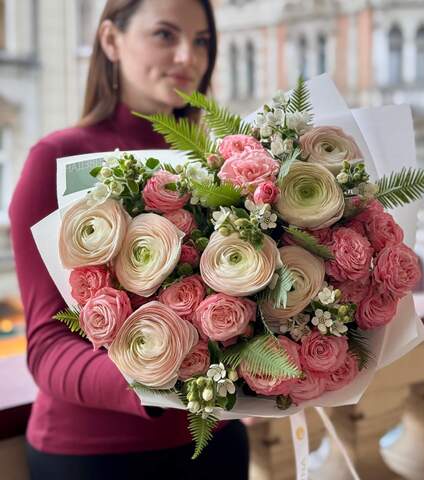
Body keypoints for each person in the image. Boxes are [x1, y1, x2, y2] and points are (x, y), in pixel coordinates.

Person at [8, 1, 250, 479]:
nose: (188, 56)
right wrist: (159, 375)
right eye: (165, 35)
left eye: (201, 40)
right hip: (93, 455)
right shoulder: (55, 160)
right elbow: (46, 347)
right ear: (110, 40)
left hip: (217, 442)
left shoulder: (225, 166)